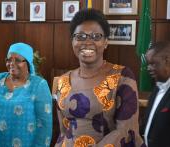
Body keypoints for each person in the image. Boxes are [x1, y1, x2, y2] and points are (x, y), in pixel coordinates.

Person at [53, 8, 145, 147]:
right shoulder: (62, 81)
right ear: (72, 41)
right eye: (81, 37)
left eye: (96, 36)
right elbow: (63, 131)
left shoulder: (122, 77)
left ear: (106, 42)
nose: (88, 42)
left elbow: (126, 130)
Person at [0, 43, 52, 147]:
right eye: (8, 60)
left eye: (17, 60)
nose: (11, 63)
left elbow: (44, 126)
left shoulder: (39, 85)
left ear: (28, 63)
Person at [142, 41, 170, 147]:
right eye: (148, 64)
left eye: (153, 63)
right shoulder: (156, 89)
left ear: (166, 61)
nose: (148, 68)